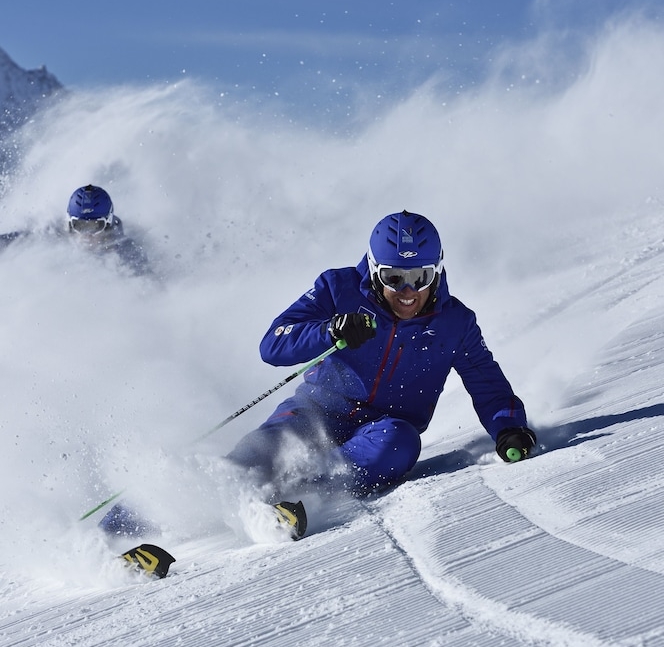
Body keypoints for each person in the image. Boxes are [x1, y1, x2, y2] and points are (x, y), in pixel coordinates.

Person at [225, 210, 537, 539]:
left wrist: (509, 427)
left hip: (384, 429)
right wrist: (328, 331)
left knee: (397, 444)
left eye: (420, 277)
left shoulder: (455, 322)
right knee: (267, 445)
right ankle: (209, 500)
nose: (407, 291)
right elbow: (273, 344)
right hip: (316, 411)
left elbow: (485, 380)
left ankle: (299, 495)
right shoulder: (337, 289)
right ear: (374, 270)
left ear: (438, 271)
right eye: (393, 278)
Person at [0, 183, 150, 275]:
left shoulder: (126, 253)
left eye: (94, 226)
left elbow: (152, 288)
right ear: (70, 223)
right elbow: (18, 241)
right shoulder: (55, 234)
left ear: (108, 223)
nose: (86, 235)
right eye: (80, 226)